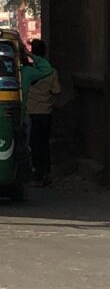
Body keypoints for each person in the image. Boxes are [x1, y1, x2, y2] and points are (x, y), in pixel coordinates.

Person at [26, 39, 61, 187]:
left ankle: (36, 172)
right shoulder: (52, 72)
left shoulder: (27, 71)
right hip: (45, 113)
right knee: (44, 144)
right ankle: (46, 173)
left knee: (33, 144)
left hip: (30, 113)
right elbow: (56, 92)